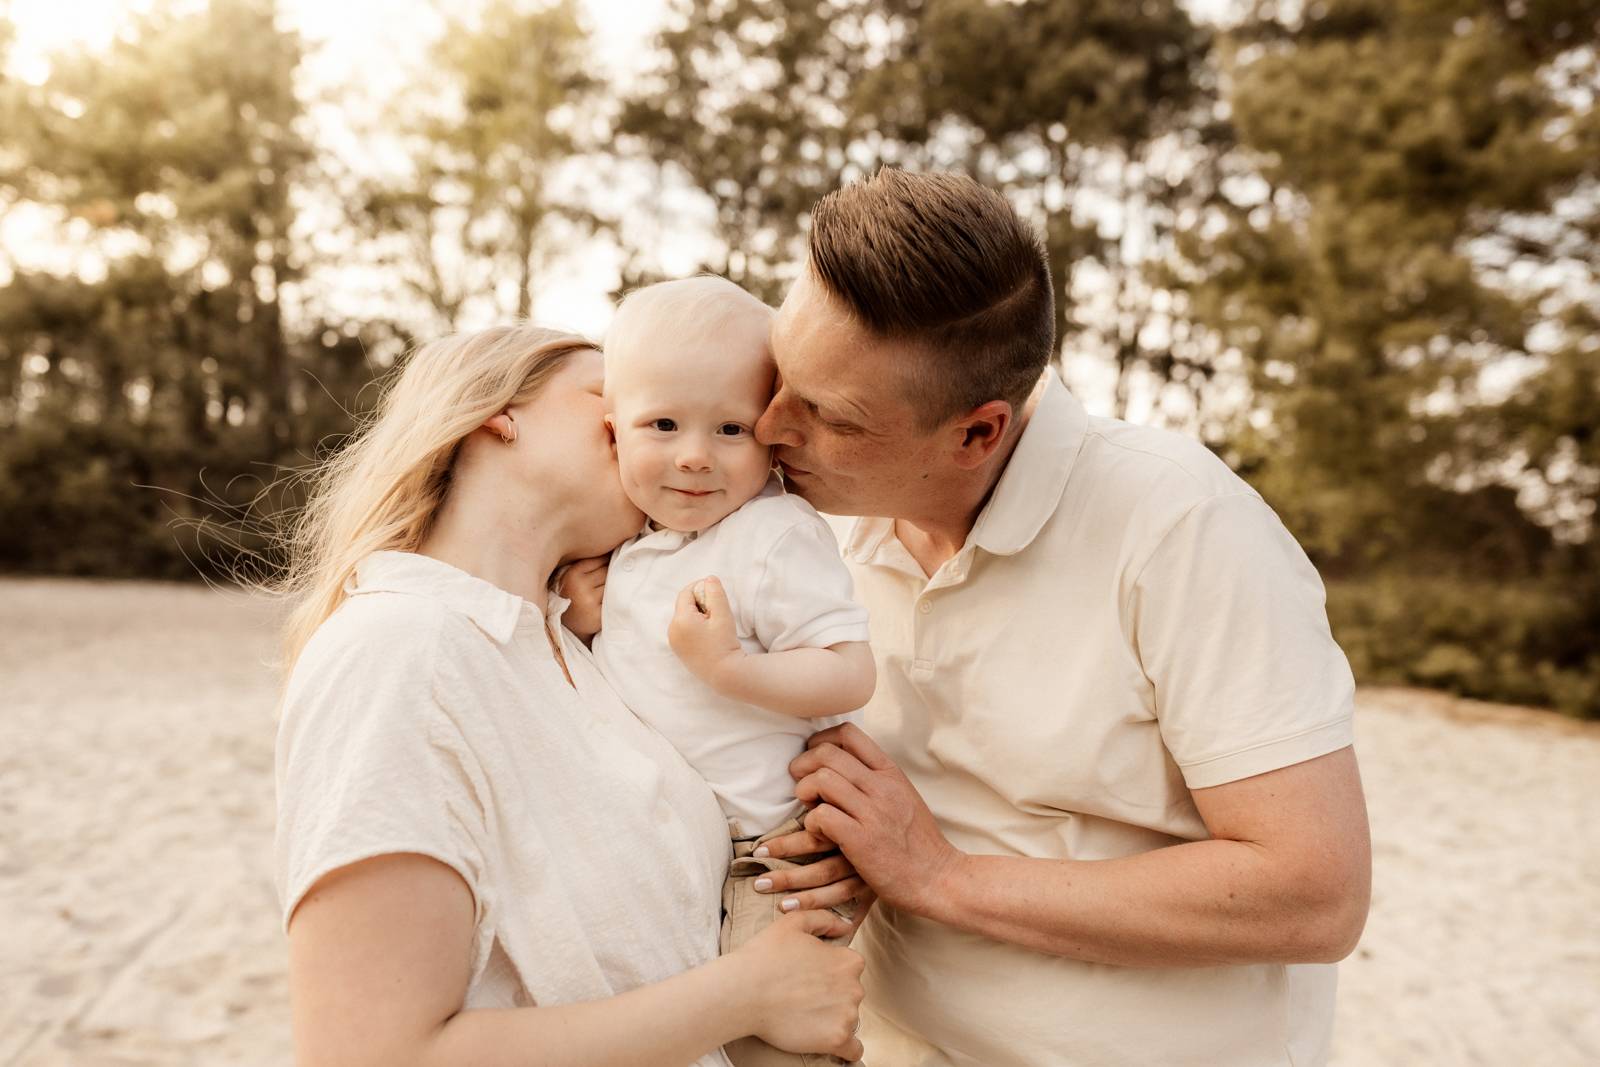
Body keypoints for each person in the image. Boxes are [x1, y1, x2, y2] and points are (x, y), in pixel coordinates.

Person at [747, 169, 1373, 1066]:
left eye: (829, 415)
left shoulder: (1185, 526)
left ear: (978, 432)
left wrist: (941, 875)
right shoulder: (811, 524)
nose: (769, 427)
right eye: (781, 374)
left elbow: (1316, 894)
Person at [272, 323, 867, 1067]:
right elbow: (370, 1054)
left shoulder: (582, 654)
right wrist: (745, 994)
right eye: (611, 397)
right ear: (497, 415)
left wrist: (811, 855)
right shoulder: (397, 648)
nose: (644, 426)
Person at [565, 277, 876, 1067]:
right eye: (663, 424)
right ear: (613, 431)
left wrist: (731, 668)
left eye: (731, 427)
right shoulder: (634, 546)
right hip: (675, 843)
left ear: (770, 434)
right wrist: (586, 622)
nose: (696, 455)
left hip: (773, 845)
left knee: (769, 1041)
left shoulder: (771, 533)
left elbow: (850, 672)